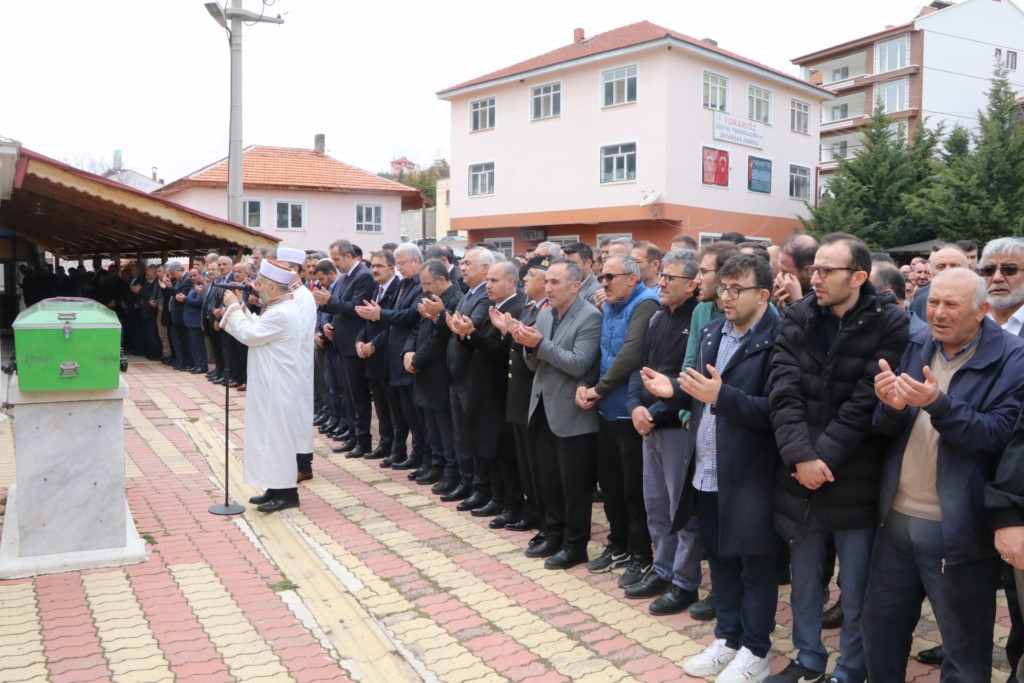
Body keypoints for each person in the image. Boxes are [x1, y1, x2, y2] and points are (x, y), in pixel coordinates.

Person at [862, 268, 1024, 681]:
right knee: (880, 632)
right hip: (896, 520)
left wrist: (940, 403)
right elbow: (884, 427)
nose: (938, 313)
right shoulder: (918, 344)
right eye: (933, 302)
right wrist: (890, 406)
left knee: (964, 651)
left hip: (958, 530)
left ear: (982, 310)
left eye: (951, 304)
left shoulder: (1012, 358)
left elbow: (996, 435)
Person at [767, 232, 909, 683]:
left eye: (828, 270)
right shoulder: (799, 315)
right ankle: (809, 659)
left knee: (855, 587)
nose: (815, 278)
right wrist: (801, 457)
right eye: (814, 269)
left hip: (855, 473)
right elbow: (782, 391)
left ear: (860, 276)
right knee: (805, 582)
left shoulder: (889, 321)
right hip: (800, 471)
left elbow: (867, 400)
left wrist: (820, 459)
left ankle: (850, 668)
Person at [643, 253, 783, 682]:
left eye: (736, 290)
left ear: (763, 294)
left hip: (752, 474)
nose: (726, 298)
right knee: (720, 559)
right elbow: (699, 393)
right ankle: (729, 637)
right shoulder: (711, 332)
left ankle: (756, 650)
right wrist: (675, 392)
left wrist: (721, 396)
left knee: (754, 565)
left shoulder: (778, 340)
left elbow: (778, 411)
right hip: (705, 468)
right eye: (722, 288)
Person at [624, 249, 703, 615]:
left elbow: (686, 380)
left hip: (675, 425)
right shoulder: (657, 318)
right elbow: (639, 369)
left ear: (692, 284)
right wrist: (634, 408)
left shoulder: (700, 321)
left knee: (680, 509)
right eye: (663, 277)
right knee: (655, 504)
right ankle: (662, 568)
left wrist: (653, 412)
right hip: (648, 424)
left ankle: (685, 582)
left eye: (671, 278)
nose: (663, 283)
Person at [579, 254, 661, 587]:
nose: (603, 283)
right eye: (601, 277)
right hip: (605, 409)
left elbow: (631, 353)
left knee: (634, 489)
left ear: (632, 277)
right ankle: (619, 544)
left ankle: (641, 554)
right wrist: (585, 385)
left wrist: (598, 389)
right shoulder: (610, 305)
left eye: (610, 277)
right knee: (611, 485)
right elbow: (601, 349)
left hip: (629, 411)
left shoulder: (645, 304)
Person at [515, 260, 603, 569]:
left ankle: (575, 544)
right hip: (541, 406)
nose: (548, 288)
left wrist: (538, 343)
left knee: (574, 486)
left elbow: (579, 364)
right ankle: (552, 533)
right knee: (548, 480)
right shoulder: (545, 314)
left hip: (572, 413)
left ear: (576, 285)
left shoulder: (590, 317)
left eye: (555, 282)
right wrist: (526, 346)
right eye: (547, 281)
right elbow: (534, 363)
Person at [220, 260, 311, 512]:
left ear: (272, 288)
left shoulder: (282, 312)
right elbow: (257, 328)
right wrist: (241, 308)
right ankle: (274, 487)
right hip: (270, 383)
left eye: (259, 283)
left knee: (278, 438)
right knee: (269, 437)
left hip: (277, 386)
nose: (255, 286)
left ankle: (287, 493)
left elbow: (249, 335)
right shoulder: (278, 307)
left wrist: (234, 307)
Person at [314, 240, 377, 458]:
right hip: (340, 342)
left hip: (354, 343)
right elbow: (337, 306)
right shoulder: (344, 279)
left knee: (357, 394)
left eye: (337, 259)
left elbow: (357, 308)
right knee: (346, 393)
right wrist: (327, 323)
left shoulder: (363, 276)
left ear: (349, 257)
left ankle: (363, 439)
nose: (335, 264)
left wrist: (329, 301)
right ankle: (352, 435)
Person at [442, 247, 495, 505]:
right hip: (457, 374)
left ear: (485, 268)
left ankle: (479, 486)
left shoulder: (486, 295)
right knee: (460, 433)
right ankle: (466, 481)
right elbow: (456, 324)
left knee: (473, 434)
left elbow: (469, 326)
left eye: (468, 263)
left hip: (472, 376)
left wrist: (445, 318)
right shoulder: (468, 292)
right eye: (461, 263)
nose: (462, 267)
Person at [404, 259, 462, 493]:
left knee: (444, 426)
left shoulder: (455, 300)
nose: (424, 289)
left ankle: (450, 470)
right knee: (429, 423)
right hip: (423, 369)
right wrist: (407, 352)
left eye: (427, 283)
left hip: (439, 370)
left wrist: (416, 359)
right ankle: (434, 463)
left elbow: (440, 339)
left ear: (441, 279)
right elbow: (417, 329)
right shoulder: (430, 299)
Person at [908, 245, 968, 319]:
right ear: (930, 273)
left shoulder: (977, 301)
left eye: (954, 266)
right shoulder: (918, 305)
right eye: (941, 266)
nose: (947, 271)